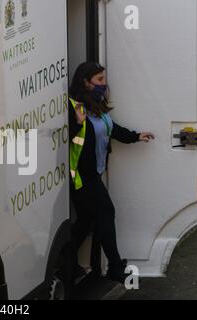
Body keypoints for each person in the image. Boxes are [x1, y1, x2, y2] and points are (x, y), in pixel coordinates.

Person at [68, 61, 154, 283]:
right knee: (106, 212)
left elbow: (111, 128)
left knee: (86, 221)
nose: (104, 84)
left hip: (93, 174)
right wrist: (77, 124)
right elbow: (70, 135)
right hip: (81, 176)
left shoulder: (98, 107)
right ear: (85, 83)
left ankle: (66, 262)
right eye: (99, 80)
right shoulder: (76, 107)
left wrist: (135, 136)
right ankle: (115, 267)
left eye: (104, 79)